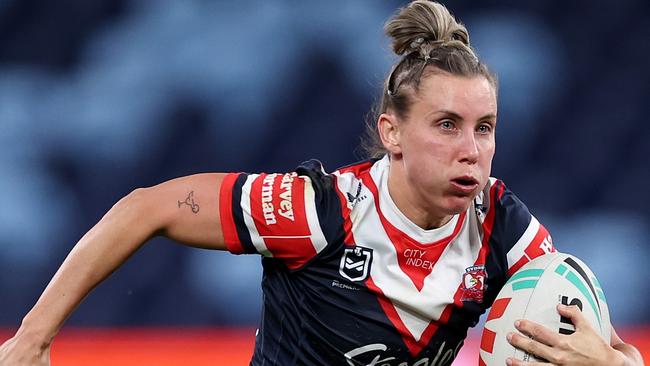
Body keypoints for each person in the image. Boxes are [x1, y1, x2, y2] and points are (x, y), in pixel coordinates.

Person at [0, 1, 645, 365]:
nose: (472, 151)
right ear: (391, 132)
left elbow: (606, 343)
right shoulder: (317, 211)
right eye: (447, 125)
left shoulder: (501, 227)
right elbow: (144, 208)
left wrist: (612, 364)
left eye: (485, 128)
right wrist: (33, 336)